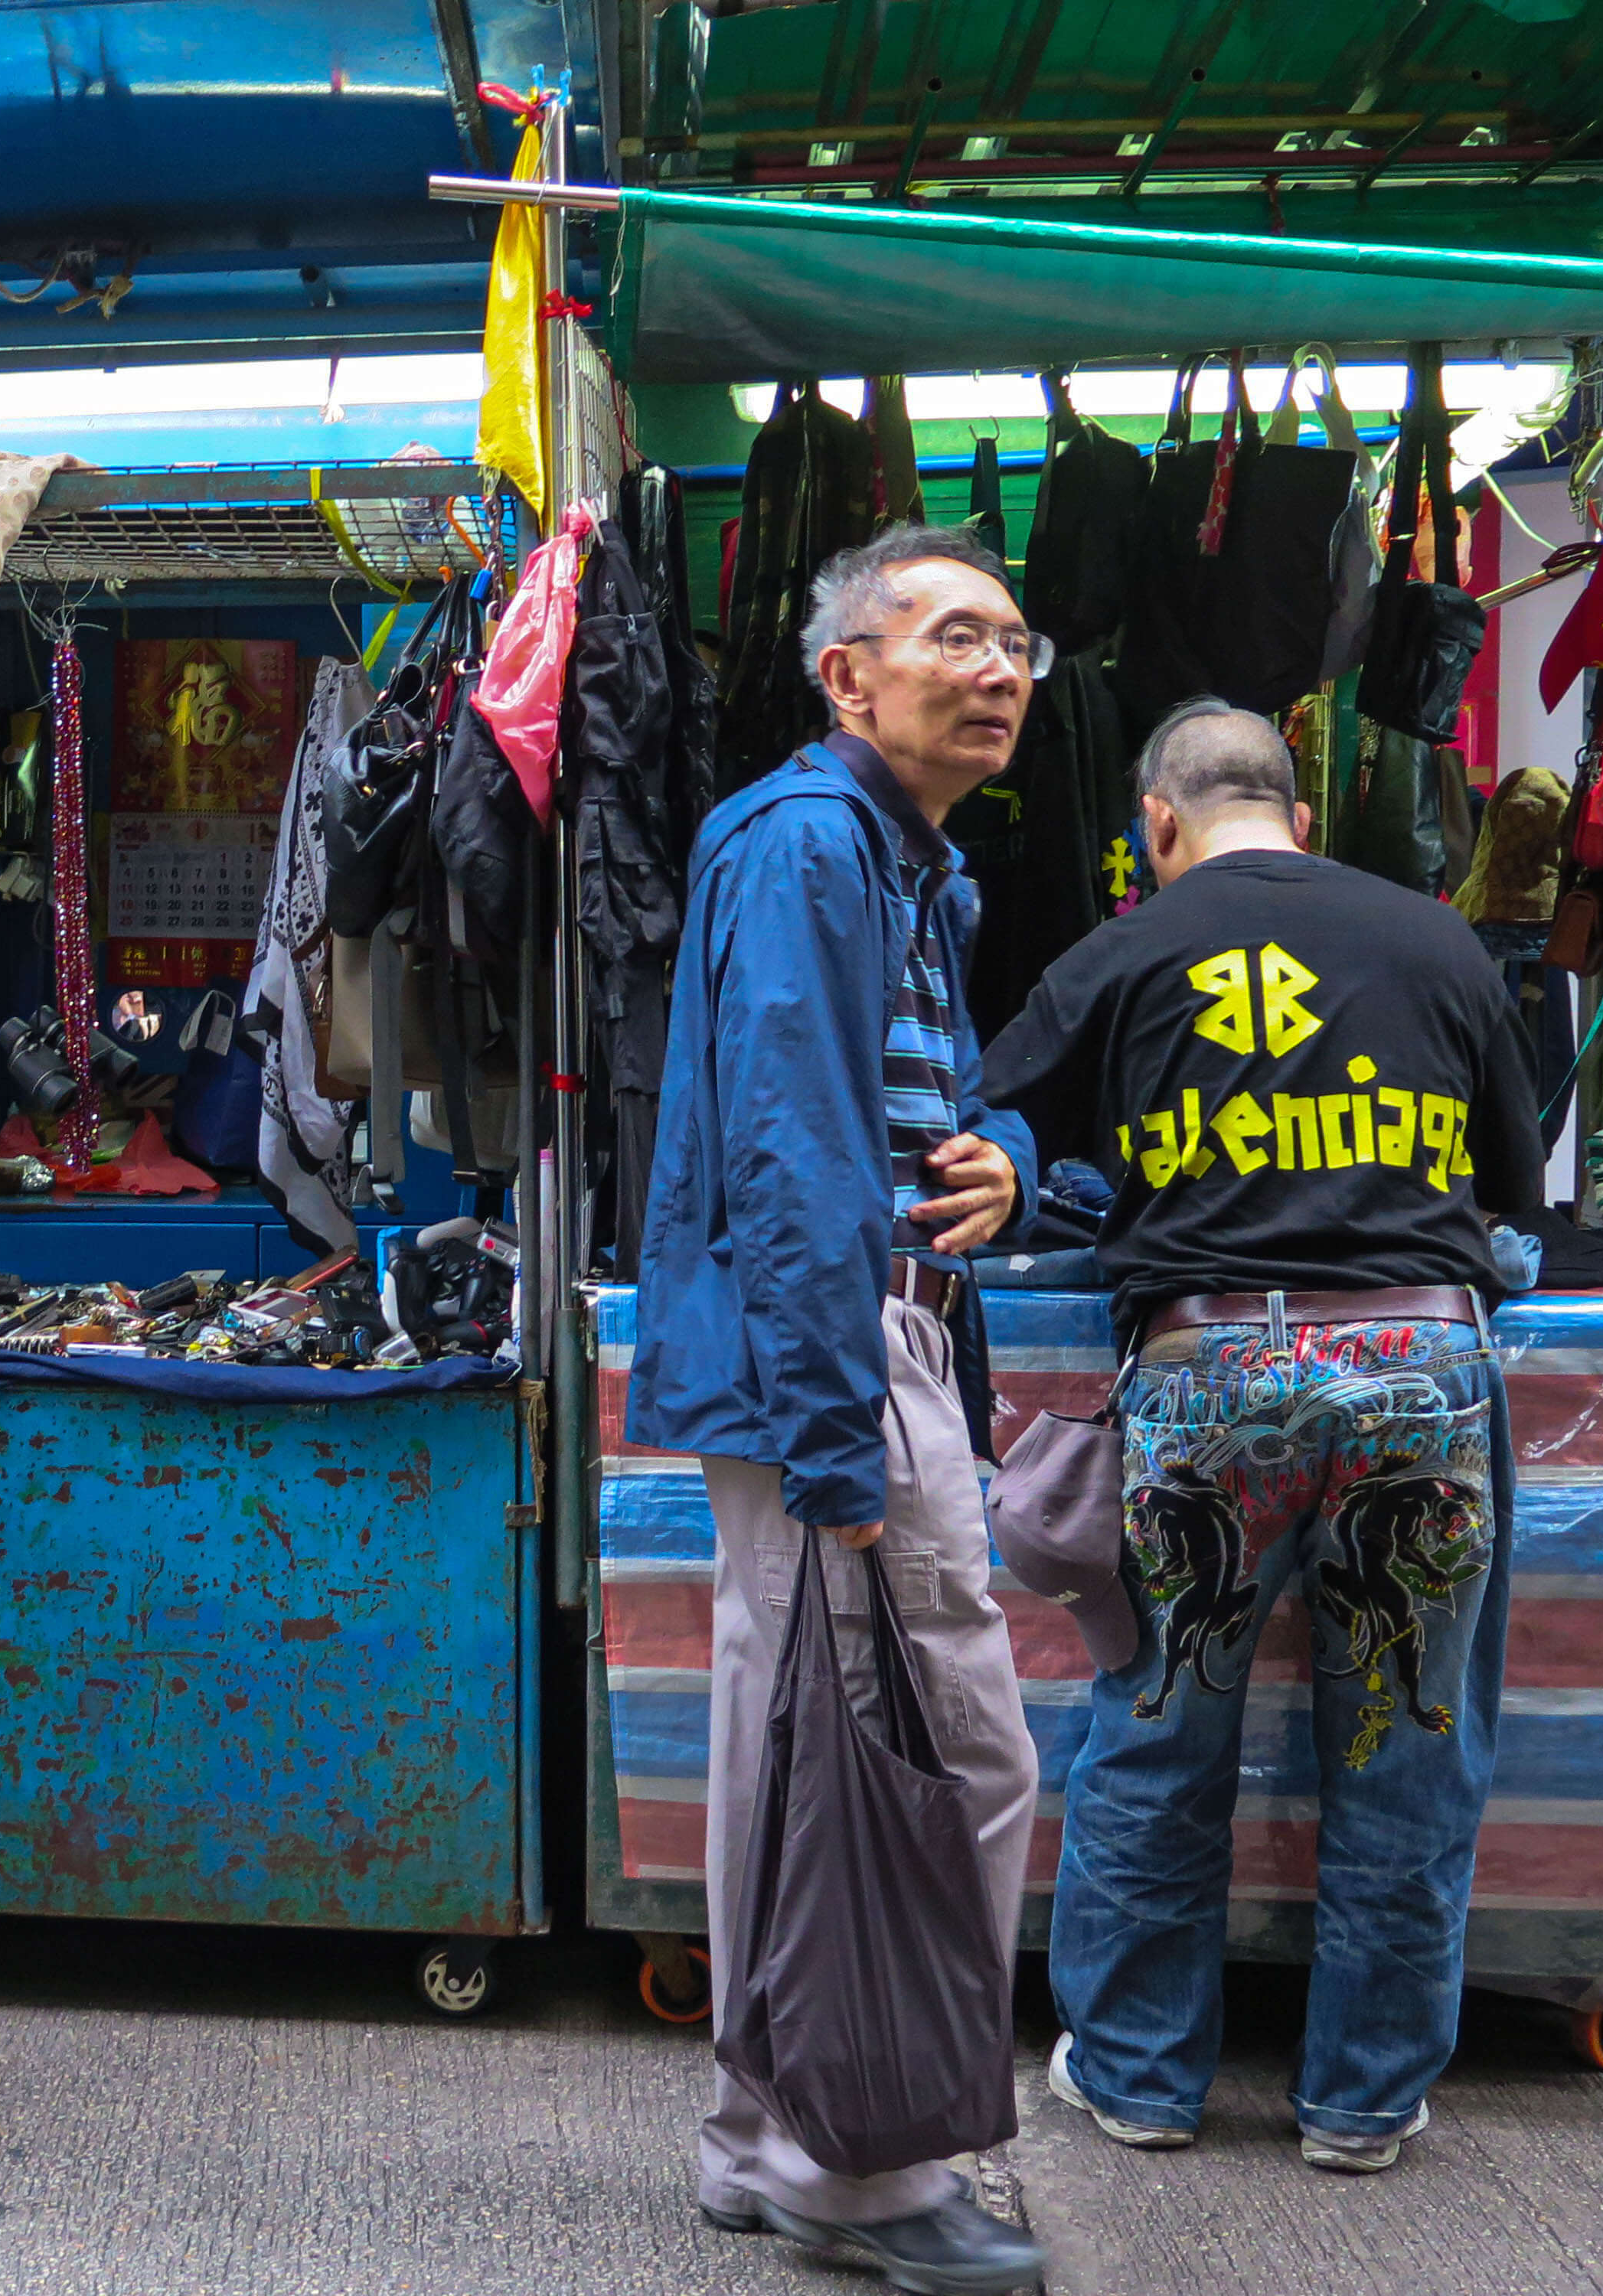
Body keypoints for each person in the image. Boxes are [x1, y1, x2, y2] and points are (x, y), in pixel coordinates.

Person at [980, 702, 1543, 2175]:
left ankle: (1141, 2080)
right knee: (1410, 1743)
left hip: (1211, 1366)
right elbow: (1515, 1199)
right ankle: (1360, 2104)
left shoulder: (1121, 947)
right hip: (1423, 1363)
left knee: (1163, 1735)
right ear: (1300, 813)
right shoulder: (1439, 940)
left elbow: (976, 1133)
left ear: (1156, 825)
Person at [629, 524, 1047, 2291]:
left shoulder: (900, 867)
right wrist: (832, 1441)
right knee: (935, 1761)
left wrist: (1006, 1165)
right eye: (952, 635)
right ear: (847, 676)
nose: (999, 668)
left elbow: (900, 1116)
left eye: (1016, 640)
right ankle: (854, 2175)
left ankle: (768, 2136)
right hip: (839, 1359)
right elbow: (792, 1155)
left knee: (798, 1755)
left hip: (856, 1345)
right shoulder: (814, 845)